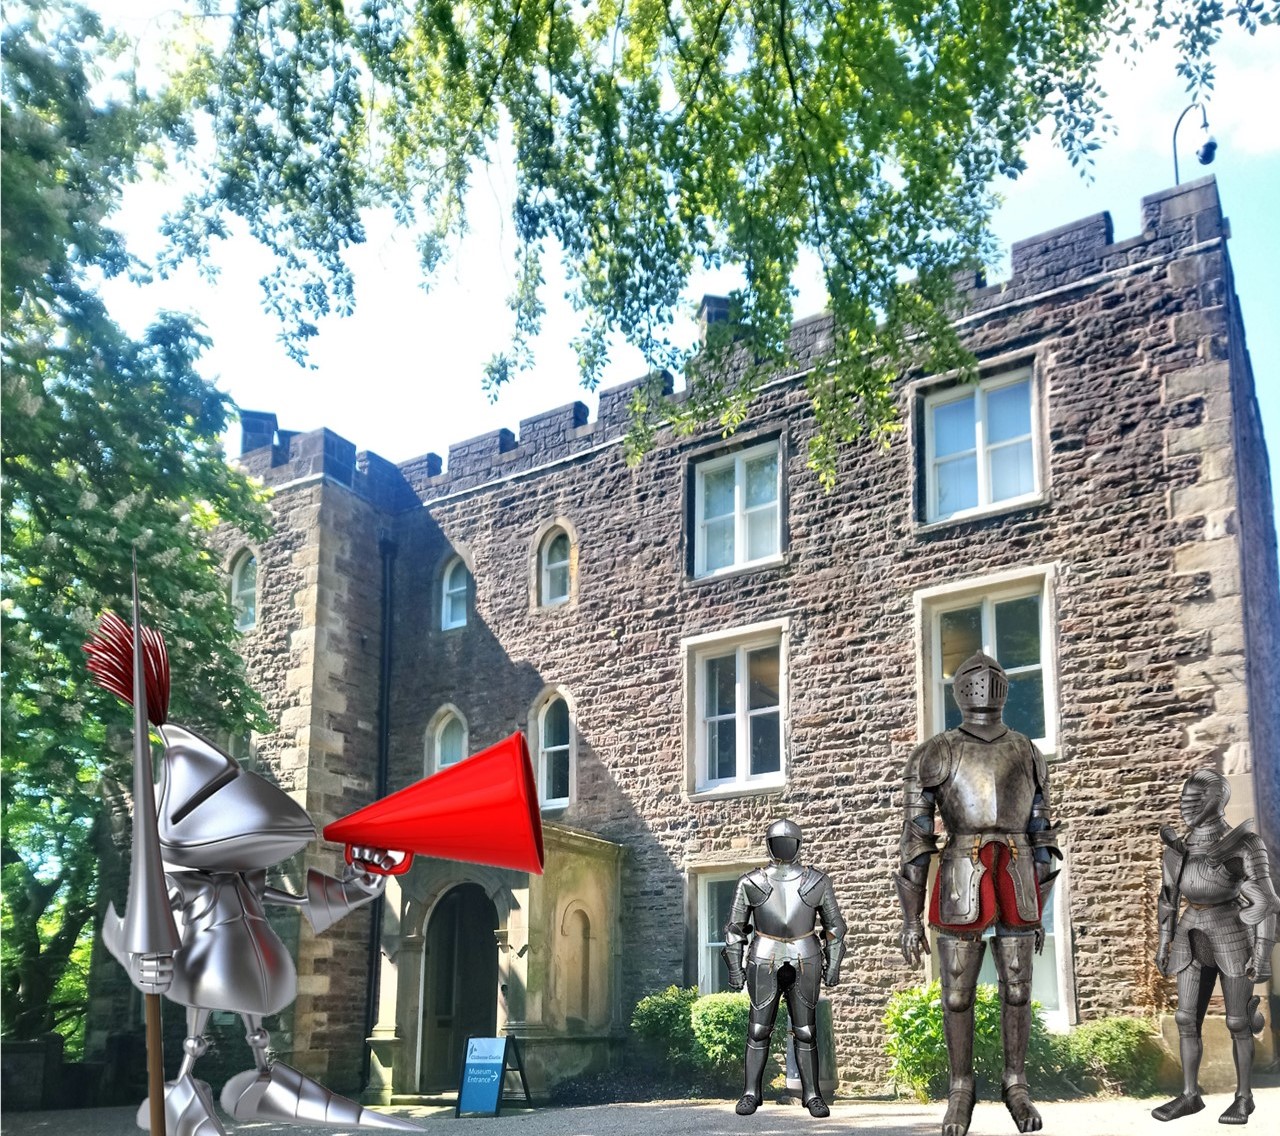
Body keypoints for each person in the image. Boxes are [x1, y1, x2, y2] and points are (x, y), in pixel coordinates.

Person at [895, 651, 1061, 1136]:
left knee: (1018, 988)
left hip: (1017, 868)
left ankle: (1016, 1081)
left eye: (992, 679)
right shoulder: (935, 751)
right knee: (957, 994)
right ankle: (960, 1087)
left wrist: (1039, 911)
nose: (983, 685)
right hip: (961, 868)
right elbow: (915, 840)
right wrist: (909, 919)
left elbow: (1042, 834)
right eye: (974, 679)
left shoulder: (1028, 750)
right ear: (959, 690)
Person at [1152, 769, 1279, 1126]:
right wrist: (1164, 943)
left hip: (1232, 929)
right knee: (1185, 1018)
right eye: (1185, 797)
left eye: (1196, 798)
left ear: (1216, 800)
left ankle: (1244, 1098)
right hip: (1190, 931)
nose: (1187, 804)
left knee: (1238, 1021)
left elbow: (1266, 901)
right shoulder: (1178, 849)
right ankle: (1190, 1095)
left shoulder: (1245, 843)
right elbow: (1168, 900)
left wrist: (1262, 954)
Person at [722, 819, 846, 1118]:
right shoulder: (751, 882)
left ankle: (812, 1094)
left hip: (805, 954)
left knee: (805, 1030)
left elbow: (835, 928)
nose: (784, 848)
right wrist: (735, 969)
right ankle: (751, 1092)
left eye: (788, 843)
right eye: (778, 843)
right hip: (765, 954)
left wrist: (833, 967)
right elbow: (735, 929)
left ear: (799, 845)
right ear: (769, 845)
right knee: (758, 1028)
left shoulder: (817, 881)